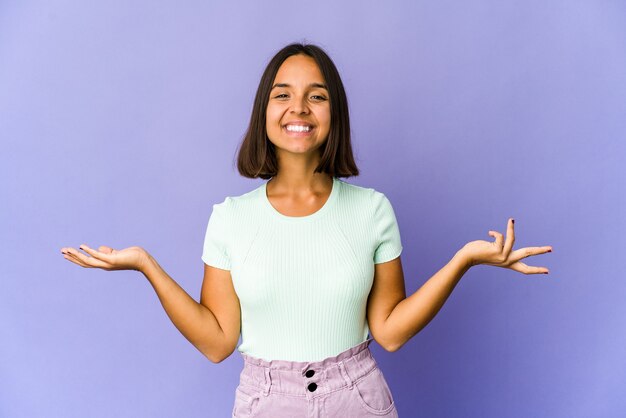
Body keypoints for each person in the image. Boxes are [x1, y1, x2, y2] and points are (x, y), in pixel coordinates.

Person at [60, 43, 552, 417]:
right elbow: (217, 342)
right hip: (266, 400)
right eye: (283, 95)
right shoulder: (230, 217)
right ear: (265, 112)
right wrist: (147, 265)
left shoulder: (372, 210)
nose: (299, 108)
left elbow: (391, 332)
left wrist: (463, 260)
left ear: (332, 114)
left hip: (357, 397)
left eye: (316, 96)